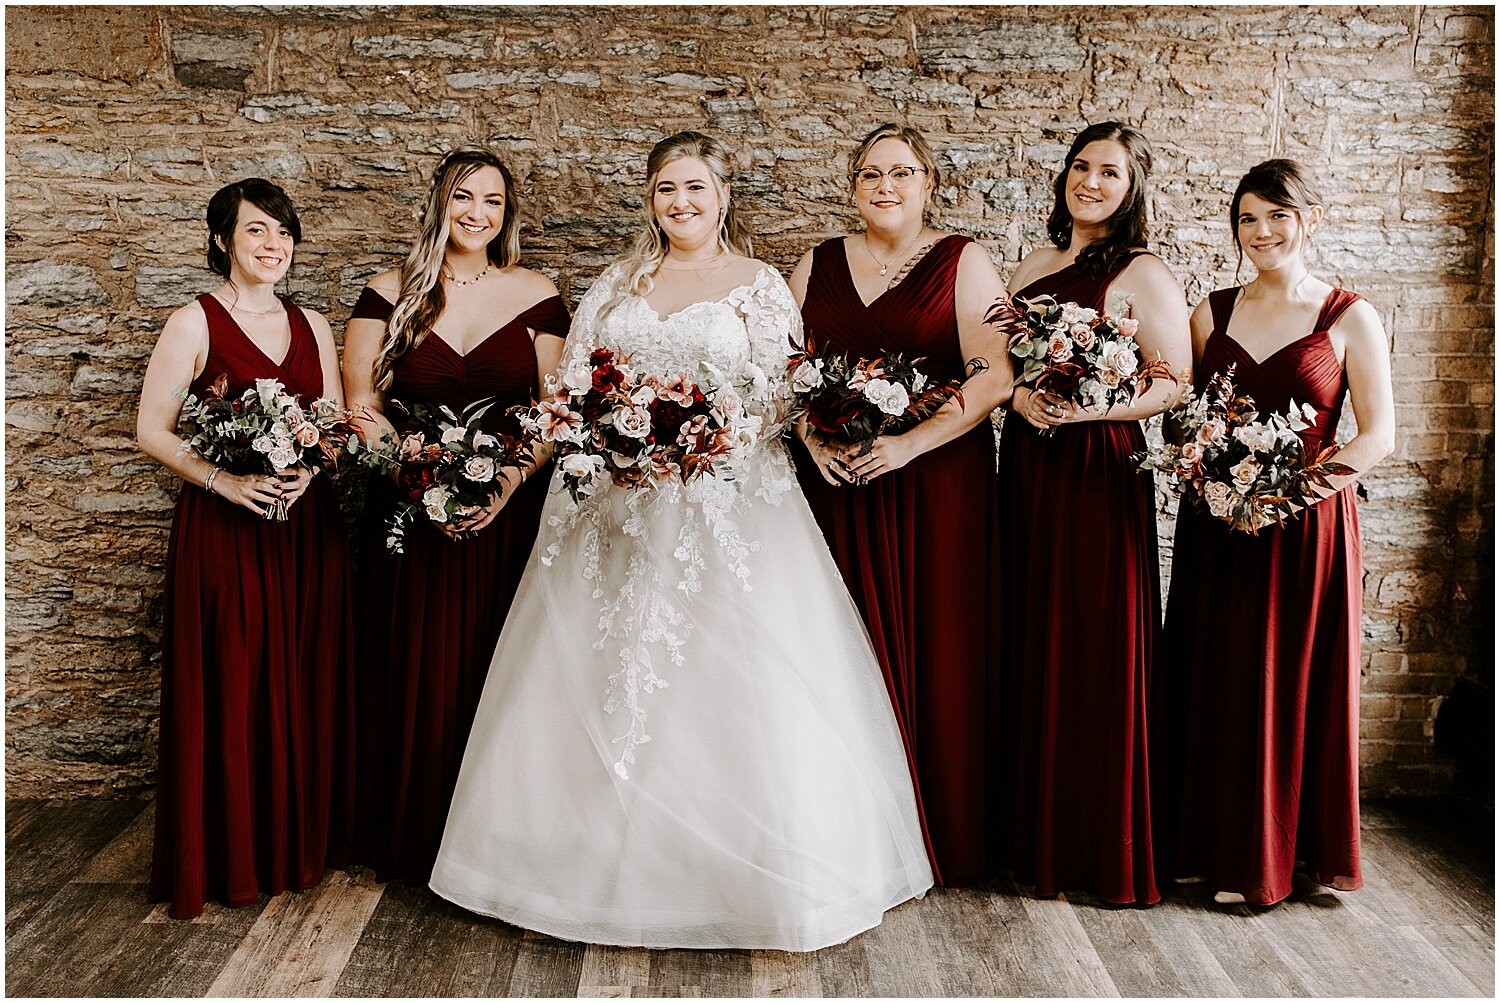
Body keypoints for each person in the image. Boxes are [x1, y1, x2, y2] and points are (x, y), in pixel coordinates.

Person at [428, 131, 933, 951]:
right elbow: (574, 386)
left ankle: (740, 877)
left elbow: (781, 396)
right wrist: (620, 440)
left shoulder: (760, 285)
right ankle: (574, 861)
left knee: (736, 685)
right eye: (667, 189)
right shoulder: (620, 281)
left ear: (722, 195)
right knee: (602, 675)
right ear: (652, 199)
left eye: (695, 187)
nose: (681, 203)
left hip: (724, 506)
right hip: (615, 509)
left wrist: (697, 438)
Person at [1155, 159, 1393, 906]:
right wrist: (1209, 475)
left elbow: (1379, 435)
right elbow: (1182, 418)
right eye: (1247, 219)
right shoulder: (1210, 312)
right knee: (1217, 674)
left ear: (1309, 220)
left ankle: (1272, 860)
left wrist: (1293, 493)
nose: (1261, 232)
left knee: (1285, 683)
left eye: (1277, 217)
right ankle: (1203, 848)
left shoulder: (1348, 316)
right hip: (1218, 525)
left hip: (1304, 529)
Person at [787, 123, 1016, 886]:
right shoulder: (815, 263)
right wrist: (815, 446)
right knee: (837, 651)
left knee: (938, 648)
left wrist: (909, 446)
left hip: (936, 489)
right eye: (871, 173)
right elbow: (779, 378)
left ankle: (939, 830)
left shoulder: (963, 260)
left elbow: (993, 378)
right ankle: (850, 841)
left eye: (902, 172)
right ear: (852, 185)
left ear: (928, 184)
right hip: (838, 488)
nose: (885, 186)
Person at [342, 146, 570, 884]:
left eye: (493, 201)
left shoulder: (537, 294)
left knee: (503, 666)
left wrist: (501, 484)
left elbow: (554, 410)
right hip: (410, 516)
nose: (478, 212)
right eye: (465, 197)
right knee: (411, 667)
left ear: (508, 213)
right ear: (440, 202)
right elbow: (363, 410)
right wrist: (422, 480)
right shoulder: (387, 292)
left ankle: (497, 847)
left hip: (510, 511)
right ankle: (412, 834)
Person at [136, 178, 354, 919]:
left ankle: (292, 846)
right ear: (224, 239)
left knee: (298, 676)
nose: (274, 246)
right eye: (258, 231)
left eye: (284, 233)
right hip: (226, 530)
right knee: (230, 682)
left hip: (303, 529)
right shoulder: (192, 322)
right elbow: (152, 429)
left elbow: (329, 423)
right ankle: (227, 856)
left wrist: (309, 467)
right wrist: (223, 481)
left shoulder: (313, 323)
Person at [995, 122, 1191, 906]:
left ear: (1132, 187)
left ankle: (1097, 842)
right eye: (1081, 167)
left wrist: (1090, 410)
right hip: (1029, 468)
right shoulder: (1033, 264)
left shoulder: (1144, 271)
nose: (1090, 182)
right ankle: (1029, 835)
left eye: (1109, 172)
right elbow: (998, 370)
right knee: (1031, 631)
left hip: (1096, 468)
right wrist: (1020, 397)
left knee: (1094, 644)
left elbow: (1172, 380)